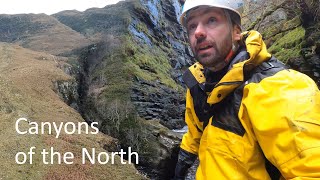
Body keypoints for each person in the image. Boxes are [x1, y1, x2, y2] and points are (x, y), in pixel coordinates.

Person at [174, 0, 320, 179]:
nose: (198, 32)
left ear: (236, 31)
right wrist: (180, 168)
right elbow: (194, 136)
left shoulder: (280, 88)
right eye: (192, 26)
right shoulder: (199, 85)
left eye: (211, 20)